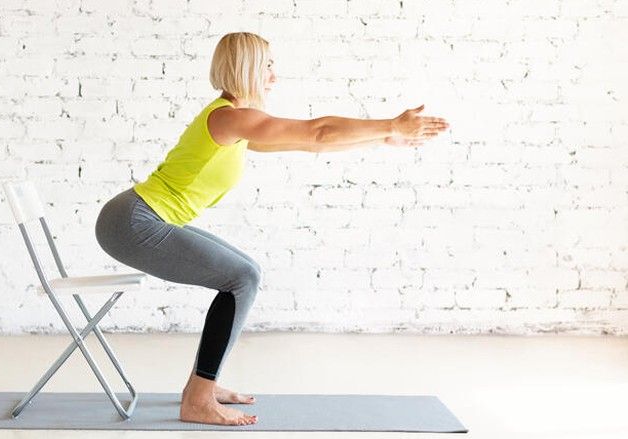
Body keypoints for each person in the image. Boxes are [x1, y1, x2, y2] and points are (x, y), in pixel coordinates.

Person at [94, 32, 449, 427]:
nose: (273, 77)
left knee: (246, 273)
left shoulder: (235, 122)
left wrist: (386, 137)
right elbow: (317, 131)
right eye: (267, 66)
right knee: (241, 278)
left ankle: (202, 387)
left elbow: (312, 144)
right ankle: (198, 398)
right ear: (245, 67)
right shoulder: (229, 117)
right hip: (133, 222)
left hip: (139, 217)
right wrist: (391, 123)